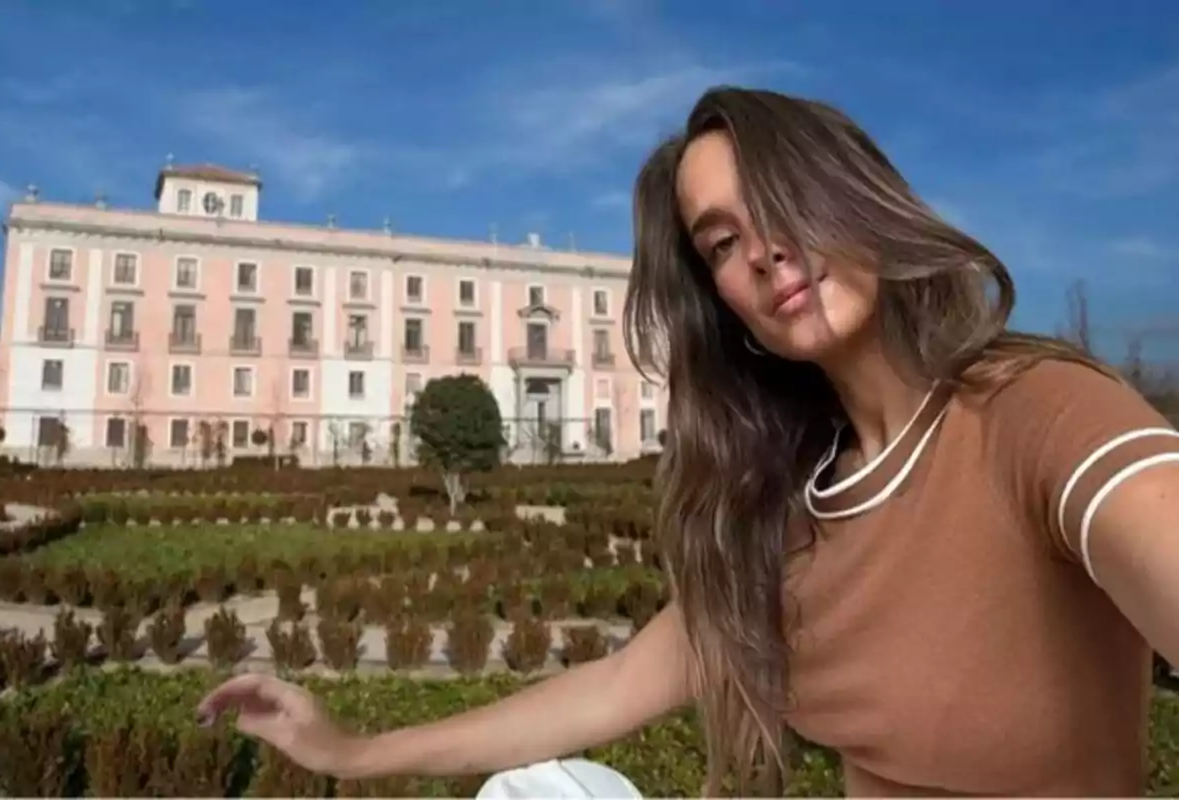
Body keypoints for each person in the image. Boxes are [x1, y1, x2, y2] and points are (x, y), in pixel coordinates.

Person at [197, 87, 1179, 797]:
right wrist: (355, 748)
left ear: (859, 198)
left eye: (786, 198)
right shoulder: (788, 517)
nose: (764, 248)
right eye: (721, 241)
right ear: (728, 309)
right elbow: (614, 686)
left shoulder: (1036, 412)